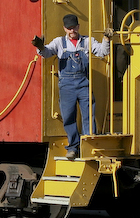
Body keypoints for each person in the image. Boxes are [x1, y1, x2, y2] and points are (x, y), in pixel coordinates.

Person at [33, 14, 112, 159]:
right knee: (68, 116)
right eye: (69, 28)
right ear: (64, 28)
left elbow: (103, 52)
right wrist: (40, 47)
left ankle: (89, 147)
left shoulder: (87, 41)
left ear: (78, 26)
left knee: (89, 115)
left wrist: (106, 39)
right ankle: (73, 148)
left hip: (84, 84)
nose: (72, 31)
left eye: (74, 27)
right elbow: (46, 53)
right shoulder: (59, 42)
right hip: (66, 86)